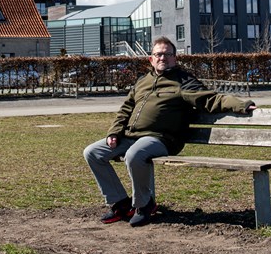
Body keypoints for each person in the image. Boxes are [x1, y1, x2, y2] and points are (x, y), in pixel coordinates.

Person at [82, 36, 256, 227]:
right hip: (131, 136)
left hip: (161, 139)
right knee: (93, 152)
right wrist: (114, 132)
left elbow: (211, 99)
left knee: (134, 155)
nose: (162, 58)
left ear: (175, 58)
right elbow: (126, 109)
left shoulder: (183, 81)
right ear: (151, 59)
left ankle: (144, 204)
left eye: (167, 54)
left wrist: (242, 105)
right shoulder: (143, 81)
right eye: (158, 54)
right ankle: (121, 204)